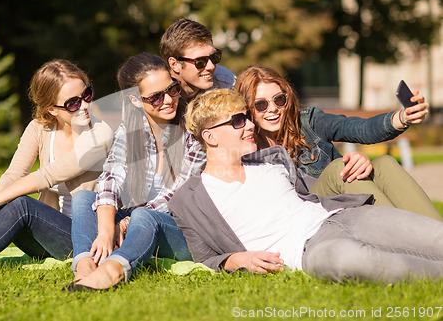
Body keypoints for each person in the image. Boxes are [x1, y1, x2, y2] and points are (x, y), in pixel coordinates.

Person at [169, 88, 443, 283]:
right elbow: (203, 258)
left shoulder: (272, 160)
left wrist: (357, 161)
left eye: (247, 118)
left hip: (344, 217)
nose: (251, 125)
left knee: (435, 238)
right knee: (353, 260)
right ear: (210, 136)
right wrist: (236, 260)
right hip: (307, 249)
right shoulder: (190, 200)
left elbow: (324, 186)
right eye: (238, 121)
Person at [0, 59, 113, 273]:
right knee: (1, 203)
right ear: (51, 109)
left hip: (88, 241)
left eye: (86, 95)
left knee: (21, 205)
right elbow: (13, 176)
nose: (85, 106)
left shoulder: (101, 134)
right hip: (47, 236)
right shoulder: (39, 128)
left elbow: (47, 176)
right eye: (73, 103)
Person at [67, 53, 205, 291]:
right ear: (135, 101)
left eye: (171, 89)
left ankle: (114, 270)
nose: (168, 100)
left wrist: (125, 223)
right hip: (137, 224)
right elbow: (111, 178)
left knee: (143, 215)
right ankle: (85, 267)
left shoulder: (194, 128)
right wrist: (106, 230)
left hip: (183, 230)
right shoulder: (131, 130)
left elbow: (177, 195)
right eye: (155, 97)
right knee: (83, 197)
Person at [234, 66, 442, 221]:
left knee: (385, 164)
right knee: (338, 168)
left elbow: (361, 129)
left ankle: (437, 235)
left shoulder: (308, 121)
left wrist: (402, 117)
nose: (272, 109)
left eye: (279, 100)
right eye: (260, 104)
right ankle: (409, 239)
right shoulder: (246, 148)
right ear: (246, 109)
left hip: (340, 198)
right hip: (308, 214)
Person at [159, 18, 236, 101]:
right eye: (200, 62)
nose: (211, 66)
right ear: (174, 64)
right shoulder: (153, 94)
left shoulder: (226, 82)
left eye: (214, 57)